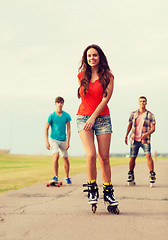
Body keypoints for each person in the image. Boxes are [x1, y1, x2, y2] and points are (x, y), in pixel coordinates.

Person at [76, 44, 118, 209]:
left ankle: (108, 192)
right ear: (86, 59)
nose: (92, 58)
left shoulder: (108, 76)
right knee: (91, 155)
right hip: (82, 117)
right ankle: (92, 189)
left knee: (104, 157)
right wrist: (89, 117)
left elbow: (105, 99)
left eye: (94, 55)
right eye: (89, 56)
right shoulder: (81, 75)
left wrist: (93, 117)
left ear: (100, 57)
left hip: (101, 118)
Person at [125, 96, 156, 186]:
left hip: (145, 139)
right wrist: (126, 136)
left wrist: (147, 133)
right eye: (141, 101)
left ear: (146, 103)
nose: (142, 103)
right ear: (138, 103)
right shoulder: (133, 113)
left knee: (148, 155)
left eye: (144, 101)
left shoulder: (150, 115)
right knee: (132, 157)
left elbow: (153, 128)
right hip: (134, 139)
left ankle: (151, 174)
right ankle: (130, 174)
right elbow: (130, 125)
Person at [45, 96, 72, 184]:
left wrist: (68, 141)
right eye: (58, 103)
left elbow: (68, 129)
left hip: (63, 140)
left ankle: (67, 177)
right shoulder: (52, 116)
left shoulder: (66, 115)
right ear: (55, 104)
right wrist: (47, 142)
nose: (60, 104)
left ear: (63, 104)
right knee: (56, 156)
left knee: (65, 159)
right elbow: (46, 129)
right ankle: (55, 176)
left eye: (61, 103)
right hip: (53, 140)